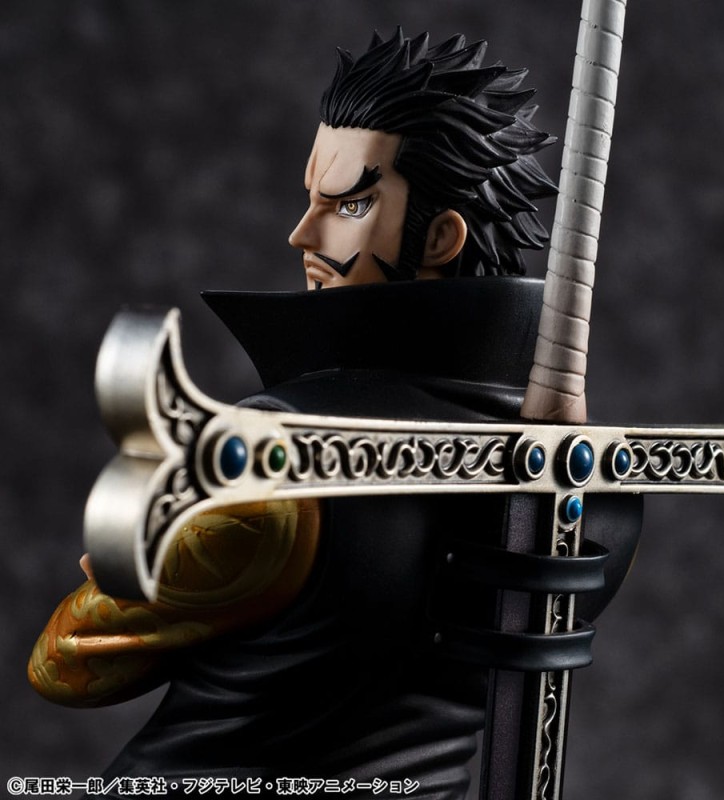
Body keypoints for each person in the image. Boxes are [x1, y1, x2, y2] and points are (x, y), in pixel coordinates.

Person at [29, 30, 639, 799]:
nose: (303, 234)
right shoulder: (602, 493)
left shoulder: (269, 465)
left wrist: (140, 560)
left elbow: (66, 664)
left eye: (350, 203)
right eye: (312, 201)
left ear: (441, 236)